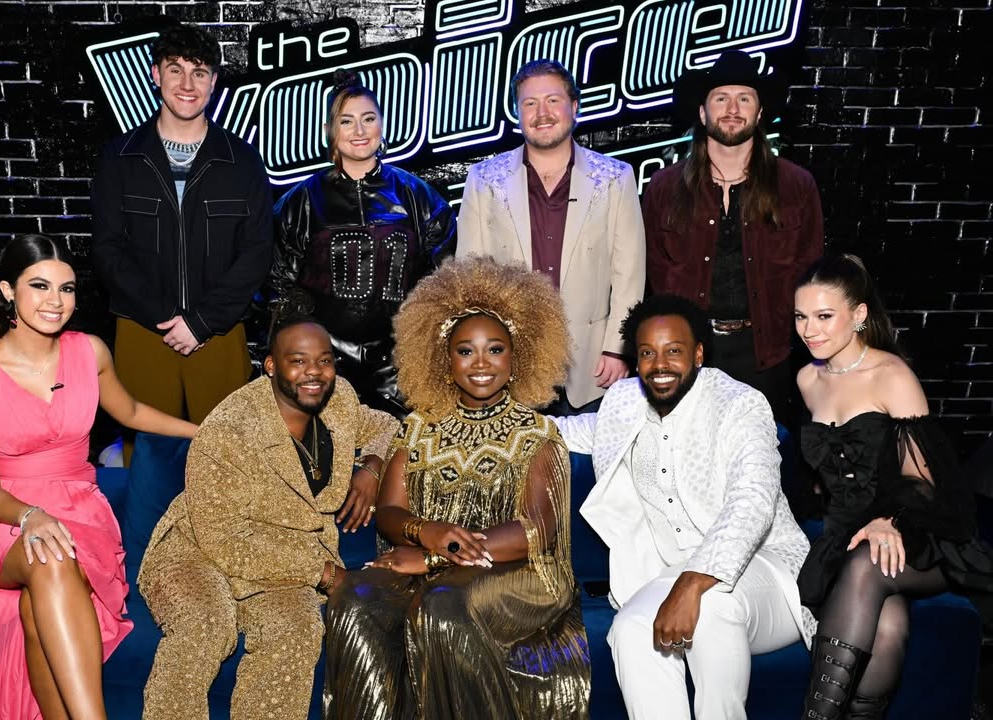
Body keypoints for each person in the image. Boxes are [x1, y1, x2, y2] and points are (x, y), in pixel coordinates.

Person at [0, 234, 197, 720]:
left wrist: (208, 432)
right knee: (47, 555)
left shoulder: (89, 352)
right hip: (1, 520)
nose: (55, 301)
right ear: (7, 290)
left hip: (80, 512)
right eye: (40, 286)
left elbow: (129, 410)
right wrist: (31, 516)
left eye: (66, 289)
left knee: (43, 589)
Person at [323, 257, 590, 719]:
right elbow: (388, 512)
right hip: (435, 564)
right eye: (466, 351)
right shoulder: (419, 427)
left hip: (521, 574)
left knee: (442, 604)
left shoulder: (538, 434)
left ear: (517, 356)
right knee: (356, 598)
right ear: (444, 360)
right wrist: (425, 532)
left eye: (496, 350)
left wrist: (432, 556)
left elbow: (536, 532)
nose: (481, 363)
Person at [137, 298, 400, 720]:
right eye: (298, 361)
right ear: (270, 366)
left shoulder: (340, 401)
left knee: (297, 631)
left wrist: (370, 467)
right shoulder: (228, 429)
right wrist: (326, 573)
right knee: (205, 627)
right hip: (196, 552)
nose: (314, 372)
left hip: (283, 559)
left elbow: (389, 427)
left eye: (325, 360)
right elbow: (224, 540)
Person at [553, 293, 811, 719]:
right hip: (667, 575)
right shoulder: (625, 402)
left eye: (673, 351)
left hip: (764, 569)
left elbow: (753, 501)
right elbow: (567, 431)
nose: (660, 365)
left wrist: (694, 583)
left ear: (698, 354)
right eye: (647, 353)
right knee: (632, 629)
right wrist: (484, 418)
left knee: (711, 608)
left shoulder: (740, 405)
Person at [793, 254, 993, 719]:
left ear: (859, 315)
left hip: (918, 529)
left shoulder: (891, 376)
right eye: (801, 317)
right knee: (887, 625)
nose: (810, 330)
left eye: (824, 316)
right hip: (846, 535)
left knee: (867, 566)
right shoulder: (807, 379)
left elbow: (926, 482)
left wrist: (891, 520)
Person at [91, 24, 274, 461]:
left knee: (228, 458)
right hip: (141, 329)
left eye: (199, 72)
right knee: (147, 459)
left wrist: (201, 322)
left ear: (214, 82)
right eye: (176, 70)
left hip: (219, 331)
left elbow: (257, 251)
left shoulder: (242, 160)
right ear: (155, 75)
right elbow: (107, 249)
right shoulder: (119, 157)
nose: (187, 84)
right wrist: (165, 317)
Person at [642, 50, 824, 423]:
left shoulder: (796, 186)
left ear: (759, 114)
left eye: (744, 99)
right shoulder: (664, 188)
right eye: (721, 98)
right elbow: (649, 270)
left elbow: (812, 268)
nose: (732, 108)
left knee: (758, 462)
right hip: (687, 350)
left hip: (766, 352)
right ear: (703, 112)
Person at [457, 59, 645, 414]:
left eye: (553, 100)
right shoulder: (484, 180)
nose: (542, 112)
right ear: (517, 112)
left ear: (574, 107)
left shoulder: (615, 178)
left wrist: (617, 348)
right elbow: (471, 280)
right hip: (509, 368)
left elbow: (629, 275)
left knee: (586, 470)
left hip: (591, 370)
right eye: (530, 103)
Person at [266, 69, 456, 418]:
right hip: (323, 364)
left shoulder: (419, 197)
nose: (359, 131)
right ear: (330, 131)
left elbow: (444, 287)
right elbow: (278, 290)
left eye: (368, 119)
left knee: (400, 465)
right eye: (347, 121)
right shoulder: (301, 201)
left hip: (399, 366)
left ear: (382, 125)